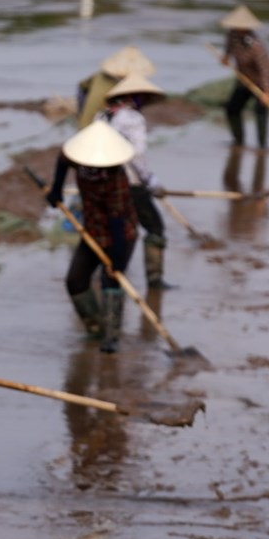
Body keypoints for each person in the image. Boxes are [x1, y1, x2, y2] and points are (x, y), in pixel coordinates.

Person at [46, 119, 137, 354]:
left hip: (121, 235)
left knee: (110, 282)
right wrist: (56, 190)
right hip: (92, 231)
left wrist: (115, 259)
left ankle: (111, 337)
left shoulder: (116, 178)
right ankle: (95, 327)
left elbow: (116, 219)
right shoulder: (81, 162)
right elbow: (62, 159)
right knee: (75, 280)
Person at [100, 73, 171, 289]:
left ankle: (109, 275)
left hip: (104, 184)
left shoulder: (102, 117)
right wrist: (152, 182)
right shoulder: (133, 119)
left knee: (114, 230)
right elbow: (137, 156)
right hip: (130, 184)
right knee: (155, 227)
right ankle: (154, 280)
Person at [219, 4, 269, 149]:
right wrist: (226, 57)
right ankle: (238, 141)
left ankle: (262, 145)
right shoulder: (232, 35)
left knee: (259, 110)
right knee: (232, 108)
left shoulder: (256, 46)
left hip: (265, 78)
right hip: (245, 77)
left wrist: (267, 92)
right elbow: (229, 47)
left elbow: (265, 70)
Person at [77, 45, 155, 129]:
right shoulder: (105, 86)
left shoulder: (103, 76)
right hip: (93, 99)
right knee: (90, 122)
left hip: (90, 94)